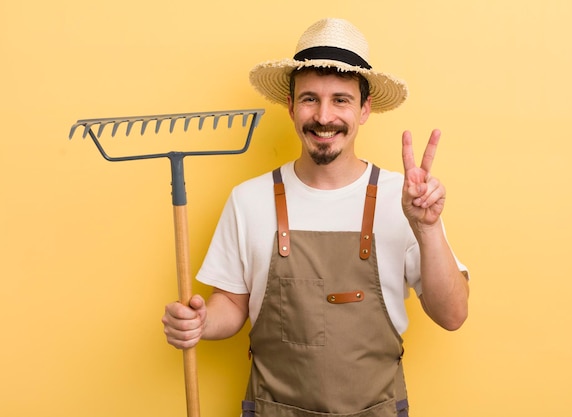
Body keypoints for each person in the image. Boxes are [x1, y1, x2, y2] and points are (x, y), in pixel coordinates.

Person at [162, 17, 469, 417]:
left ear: (365, 109)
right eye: (310, 98)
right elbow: (233, 306)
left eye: (341, 99)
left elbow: (453, 315)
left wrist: (426, 229)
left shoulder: (407, 199)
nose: (324, 116)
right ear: (290, 106)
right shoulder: (248, 200)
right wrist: (200, 323)